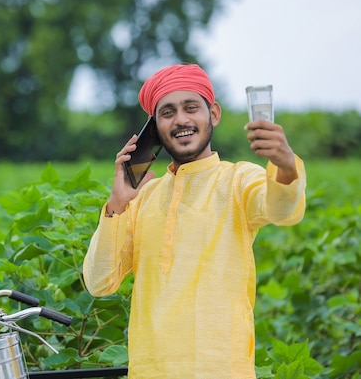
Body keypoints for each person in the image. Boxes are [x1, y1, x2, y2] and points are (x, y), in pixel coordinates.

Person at [82, 63, 306, 378]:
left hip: (220, 370)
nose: (181, 120)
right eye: (167, 113)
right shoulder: (143, 197)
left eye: (191, 108)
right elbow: (99, 282)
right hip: (150, 370)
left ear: (213, 114)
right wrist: (117, 204)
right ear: (155, 128)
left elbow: (283, 210)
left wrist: (285, 165)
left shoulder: (238, 180)